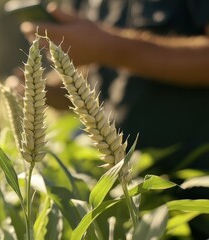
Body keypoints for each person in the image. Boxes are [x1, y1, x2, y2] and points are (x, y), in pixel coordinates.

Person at [18, 1, 209, 237]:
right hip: (134, 194)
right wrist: (40, 91)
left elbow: (109, 49)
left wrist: (107, 46)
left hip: (198, 185)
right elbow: (100, 81)